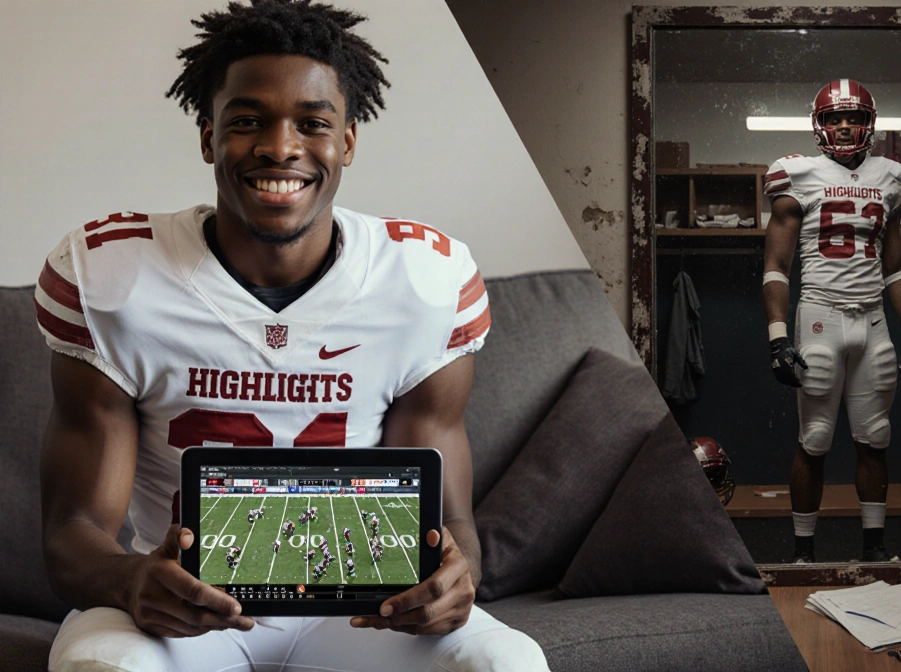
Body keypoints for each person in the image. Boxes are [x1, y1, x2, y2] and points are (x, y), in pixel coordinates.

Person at [38, 1, 548, 670]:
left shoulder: (425, 279)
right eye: (248, 121)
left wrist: (458, 579)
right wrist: (131, 580)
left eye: (313, 123)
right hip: (180, 609)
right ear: (207, 136)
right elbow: (72, 532)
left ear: (349, 141)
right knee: (102, 667)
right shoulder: (112, 275)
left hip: (360, 610)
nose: (280, 147)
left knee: (505, 663)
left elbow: (451, 523)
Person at [762, 78, 901, 564]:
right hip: (819, 317)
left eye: (854, 116)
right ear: (820, 125)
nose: (845, 125)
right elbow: (776, 265)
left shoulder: (890, 175)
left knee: (876, 436)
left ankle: (874, 548)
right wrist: (776, 337)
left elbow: (895, 263)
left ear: (870, 124)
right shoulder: (797, 173)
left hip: (873, 318)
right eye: (835, 117)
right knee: (814, 439)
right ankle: (803, 553)